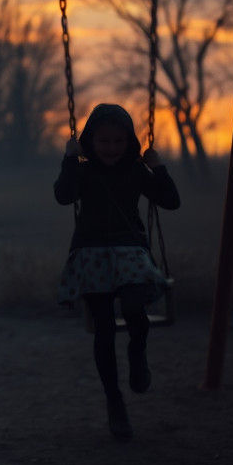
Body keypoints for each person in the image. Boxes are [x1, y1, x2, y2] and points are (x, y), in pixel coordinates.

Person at [54, 102, 180, 442]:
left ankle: (137, 353)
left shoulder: (136, 171)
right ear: (90, 141)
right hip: (92, 252)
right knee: (104, 328)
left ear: (129, 142)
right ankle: (115, 401)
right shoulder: (82, 169)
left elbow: (170, 201)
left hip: (129, 250)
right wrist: (70, 158)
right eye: (104, 141)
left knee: (135, 310)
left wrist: (159, 167)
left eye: (118, 142)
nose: (111, 148)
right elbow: (63, 197)